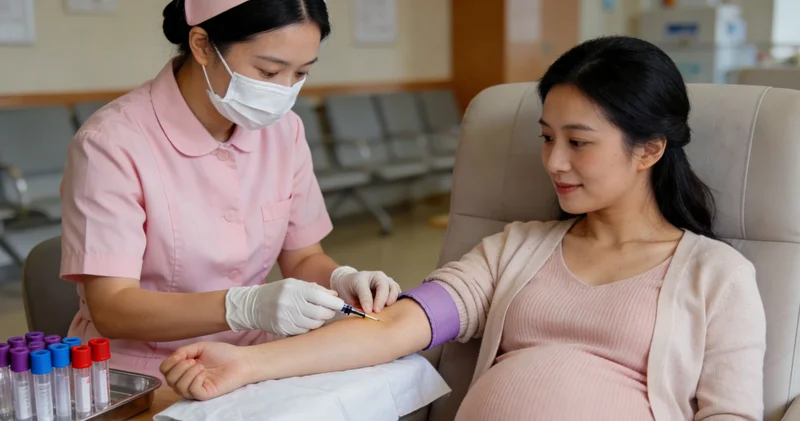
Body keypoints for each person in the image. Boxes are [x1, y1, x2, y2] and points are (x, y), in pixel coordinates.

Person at [159, 36, 767, 420]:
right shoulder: (516, 249)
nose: (554, 161)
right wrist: (249, 365)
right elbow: (394, 326)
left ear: (649, 150)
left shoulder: (716, 275)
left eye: (579, 142)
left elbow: (730, 415)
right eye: (547, 139)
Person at [59, 0, 401, 380]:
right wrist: (243, 306)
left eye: (301, 73)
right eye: (268, 71)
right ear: (203, 45)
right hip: (143, 372)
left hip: (255, 359)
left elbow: (303, 258)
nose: (285, 91)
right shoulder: (111, 143)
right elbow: (113, 308)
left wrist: (341, 279)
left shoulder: (285, 132)